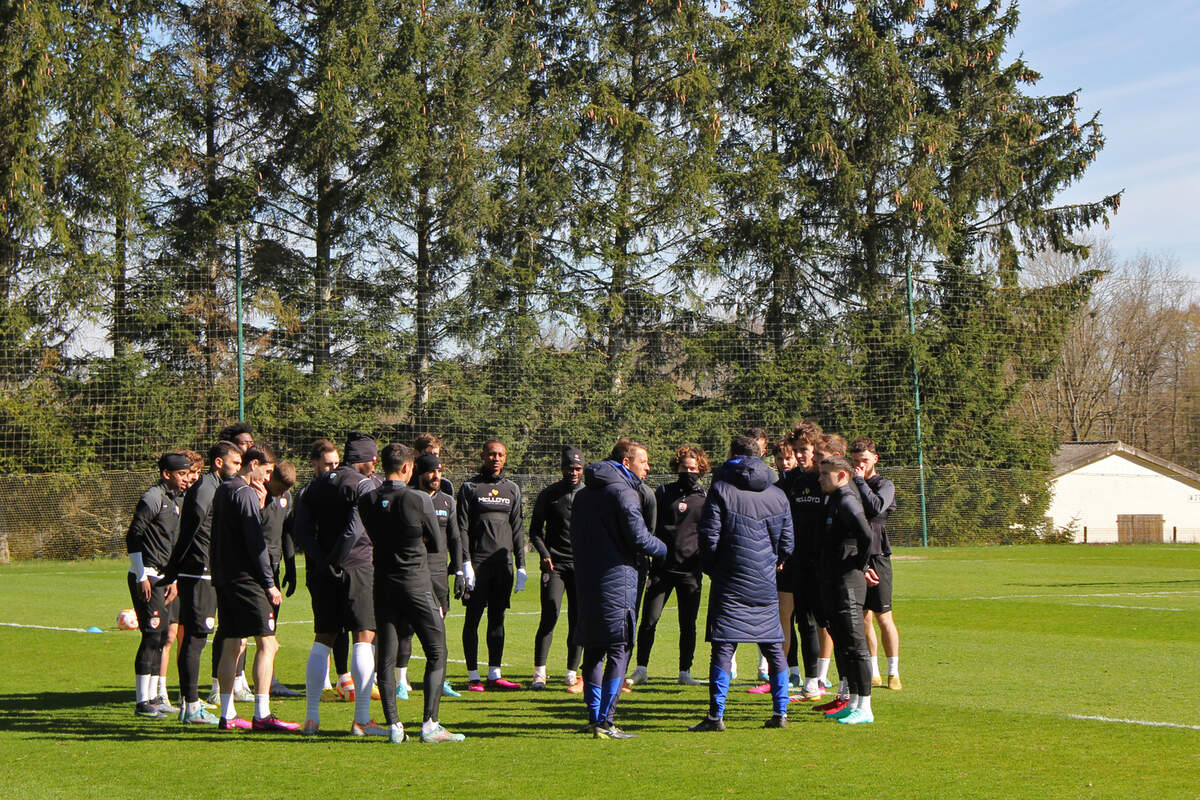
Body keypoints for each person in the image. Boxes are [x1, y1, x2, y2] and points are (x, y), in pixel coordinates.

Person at [359, 443, 465, 743]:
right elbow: (435, 543)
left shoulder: (366, 500)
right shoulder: (417, 499)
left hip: (383, 583)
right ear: (408, 468)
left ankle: (394, 726)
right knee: (436, 650)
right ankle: (430, 724)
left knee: (386, 655)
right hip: (416, 583)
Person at [689, 437, 793, 731]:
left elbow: (709, 538)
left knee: (723, 647)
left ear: (733, 456)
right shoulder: (778, 495)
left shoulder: (721, 490)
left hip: (729, 580)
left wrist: (712, 569)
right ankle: (780, 713)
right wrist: (773, 564)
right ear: (760, 456)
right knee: (773, 647)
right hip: (764, 581)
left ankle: (716, 716)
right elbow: (788, 543)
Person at [571, 439, 667, 739]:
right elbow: (639, 538)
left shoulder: (584, 494)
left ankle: (593, 716)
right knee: (619, 649)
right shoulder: (625, 492)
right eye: (644, 462)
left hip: (587, 581)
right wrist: (666, 549)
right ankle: (606, 720)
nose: (648, 468)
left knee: (593, 650)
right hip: (619, 581)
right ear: (627, 462)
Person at [292, 432, 382, 735]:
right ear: (368, 461)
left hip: (321, 572)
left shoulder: (311, 487)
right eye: (373, 460)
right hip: (356, 567)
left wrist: (321, 561)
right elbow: (354, 530)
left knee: (323, 638)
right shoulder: (363, 484)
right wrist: (337, 561)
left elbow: (301, 532)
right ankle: (361, 720)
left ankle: (312, 718)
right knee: (363, 636)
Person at [209, 443, 298, 731]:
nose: (266, 478)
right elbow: (255, 542)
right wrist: (269, 584)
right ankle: (262, 713)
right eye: (267, 471)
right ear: (254, 463)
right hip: (247, 580)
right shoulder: (245, 492)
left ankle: (228, 714)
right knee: (269, 643)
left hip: (225, 577)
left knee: (233, 643)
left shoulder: (224, 489)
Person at [165, 440, 241, 724]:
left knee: (198, 638)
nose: (238, 468)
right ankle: (191, 706)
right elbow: (192, 527)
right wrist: (174, 569)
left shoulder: (215, 487)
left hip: (208, 571)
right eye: (235, 463)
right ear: (219, 463)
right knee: (196, 639)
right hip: (197, 573)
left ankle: (190, 704)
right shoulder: (207, 487)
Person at [629, 445, 709, 687]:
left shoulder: (705, 498)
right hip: (662, 570)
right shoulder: (663, 492)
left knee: (688, 624)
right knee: (648, 620)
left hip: (690, 572)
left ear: (701, 469)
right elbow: (649, 527)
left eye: (693, 468)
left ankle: (685, 671)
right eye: (684, 467)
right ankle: (641, 668)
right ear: (677, 467)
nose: (688, 471)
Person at [815, 455, 880, 725]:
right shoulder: (834, 500)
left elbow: (866, 535)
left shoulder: (847, 500)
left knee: (855, 644)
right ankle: (853, 701)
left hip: (848, 582)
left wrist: (861, 564)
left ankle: (865, 706)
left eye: (824, 474)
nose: (820, 479)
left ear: (841, 476)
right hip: (834, 579)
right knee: (842, 641)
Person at [126, 452, 190, 719]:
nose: (187, 479)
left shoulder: (175, 501)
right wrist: (141, 575)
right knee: (151, 635)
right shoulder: (152, 498)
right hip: (148, 576)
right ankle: (142, 702)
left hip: (164, 578)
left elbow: (172, 544)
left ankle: (153, 697)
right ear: (167, 474)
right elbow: (133, 535)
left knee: (163, 635)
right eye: (182, 474)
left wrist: (173, 578)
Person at [457, 439, 524, 691]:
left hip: (502, 565)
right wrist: (465, 563)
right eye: (491, 454)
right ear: (483, 455)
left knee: (498, 619)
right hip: (477, 564)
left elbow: (517, 529)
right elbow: (461, 528)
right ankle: (473, 676)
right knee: (472, 618)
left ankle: (494, 674)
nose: (496, 458)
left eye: (500, 455)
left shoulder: (512, 489)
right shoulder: (470, 487)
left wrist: (521, 565)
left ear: (505, 458)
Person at [396, 451, 464, 699]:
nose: (436, 476)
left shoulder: (447, 501)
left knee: (438, 628)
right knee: (406, 628)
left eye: (439, 471)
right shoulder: (409, 498)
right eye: (431, 471)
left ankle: (439, 679)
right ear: (419, 473)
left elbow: (455, 538)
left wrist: (458, 570)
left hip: (438, 576)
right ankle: (401, 681)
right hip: (413, 571)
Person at [776, 422, 830, 700]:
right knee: (795, 619)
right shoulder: (788, 481)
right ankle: (797, 679)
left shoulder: (826, 477)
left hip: (822, 562)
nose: (799, 455)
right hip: (794, 561)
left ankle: (824, 679)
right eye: (796, 450)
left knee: (822, 621)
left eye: (804, 450)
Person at [529, 446, 586, 691]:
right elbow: (534, 531)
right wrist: (544, 554)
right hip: (555, 566)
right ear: (561, 468)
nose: (573, 472)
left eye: (577, 468)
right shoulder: (550, 494)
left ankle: (572, 673)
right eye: (569, 468)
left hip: (581, 566)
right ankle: (539, 673)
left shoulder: (589, 495)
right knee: (549, 615)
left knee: (578, 620)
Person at [849, 438, 901, 690]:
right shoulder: (850, 483)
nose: (859, 465)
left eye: (864, 461)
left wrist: (859, 481)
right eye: (856, 461)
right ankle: (874, 670)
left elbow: (875, 508)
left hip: (878, 555)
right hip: (855, 555)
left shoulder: (884, 484)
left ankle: (894, 672)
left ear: (875, 460)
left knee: (884, 616)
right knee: (863, 617)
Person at [260, 460, 302, 697]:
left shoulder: (286, 497)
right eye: (279, 487)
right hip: (255, 569)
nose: (280, 493)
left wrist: (291, 566)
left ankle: (270, 680)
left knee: (270, 626)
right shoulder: (256, 495)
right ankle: (235, 682)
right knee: (245, 629)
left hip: (274, 568)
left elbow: (287, 531)